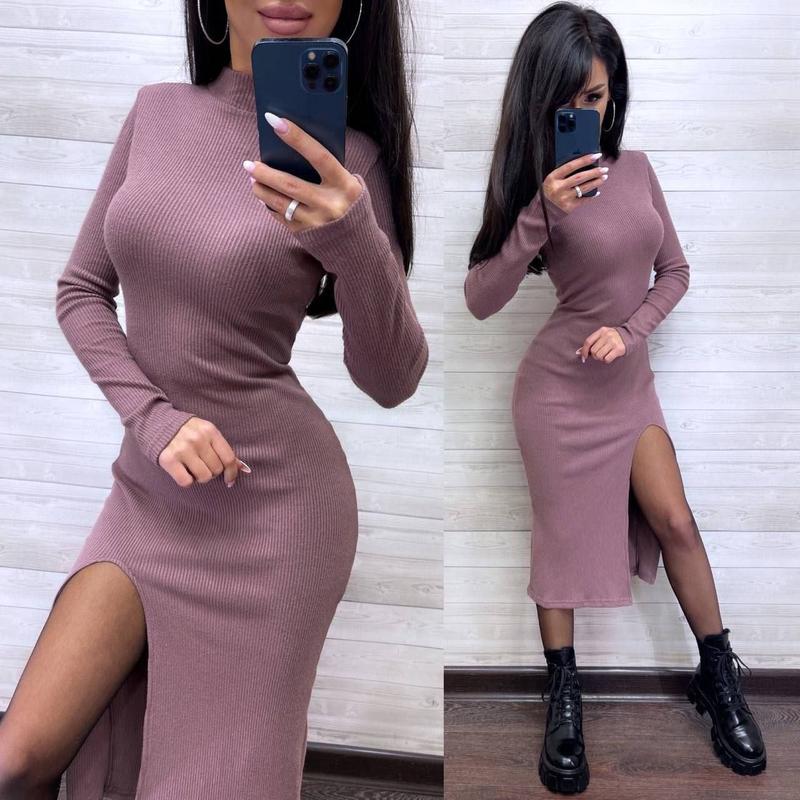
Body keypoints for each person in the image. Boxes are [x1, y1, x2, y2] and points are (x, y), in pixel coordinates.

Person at [0, 1, 428, 798]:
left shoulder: (353, 160)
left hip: (274, 511)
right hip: (148, 491)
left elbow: (392, 377)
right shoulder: (154, 113)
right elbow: (81, 290)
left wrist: (353, 237)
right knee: (18, 756)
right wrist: (154, 419)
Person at [462, 2, 765, 792]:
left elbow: (677, 272)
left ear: (614, 93)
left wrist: (629, 334)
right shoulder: (533, 187)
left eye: (596, 97)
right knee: (559, 543)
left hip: (627, 384)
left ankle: (717, 676)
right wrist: (541, 213)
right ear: (541, 100)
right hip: (556, 394)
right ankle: (564, 699)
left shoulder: (638, 170)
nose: (585, 115)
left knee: (676, 520)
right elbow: (480, 297)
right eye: (569, 101)